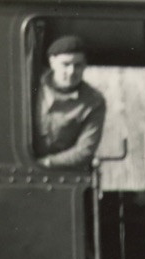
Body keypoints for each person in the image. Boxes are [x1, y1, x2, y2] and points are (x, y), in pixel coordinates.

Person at [34, 35, 106, 169]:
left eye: (77, 65)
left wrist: (45, 163)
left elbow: (85, 150)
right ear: (52, 62)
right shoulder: (32, 88)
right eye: (65, 64)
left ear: (85, 66)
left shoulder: (93, 102)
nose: (71, 71)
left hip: (67, 174)